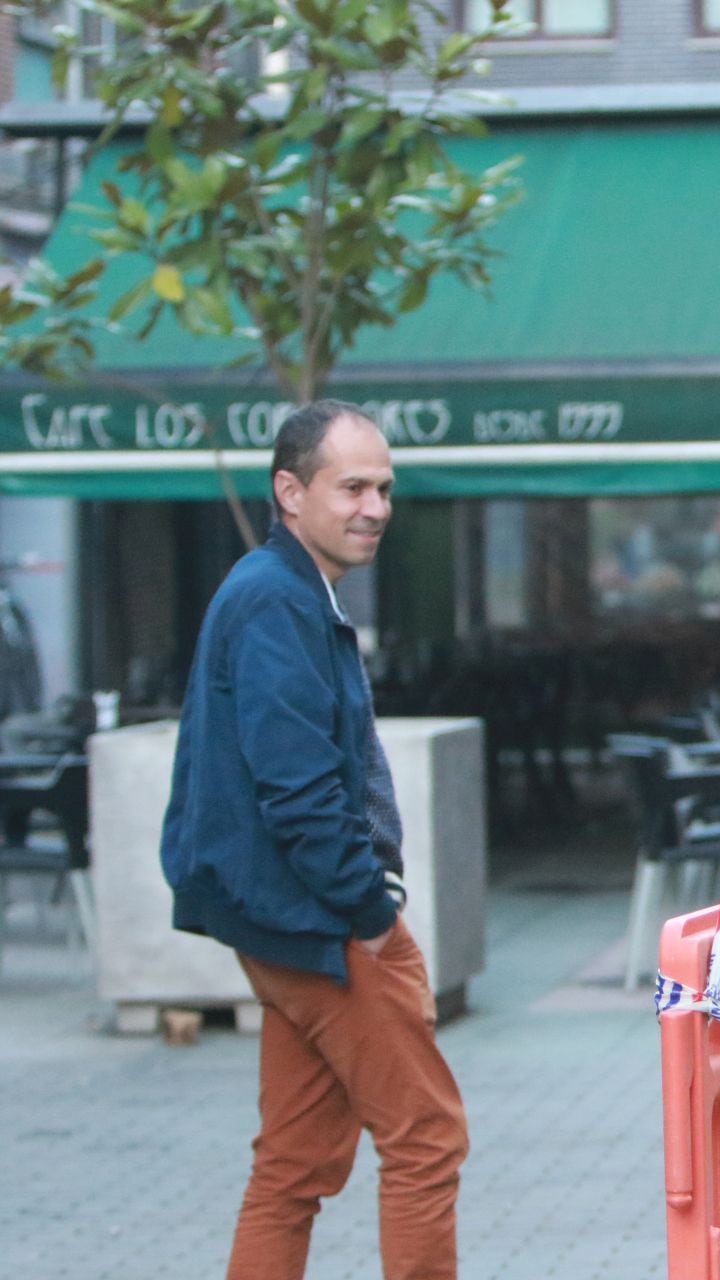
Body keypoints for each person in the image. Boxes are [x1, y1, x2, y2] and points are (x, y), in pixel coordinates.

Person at [160, 400, 469, 1280]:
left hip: (293, 919)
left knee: (294, 1167)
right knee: (427, 1140)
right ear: (289, 491)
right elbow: (296, 788)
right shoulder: (275, 601)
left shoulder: (283, 589)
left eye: (385, 489)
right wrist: (370, 911)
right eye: (353, 488)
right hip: (324, 923)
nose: (375, 507)